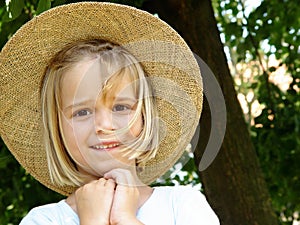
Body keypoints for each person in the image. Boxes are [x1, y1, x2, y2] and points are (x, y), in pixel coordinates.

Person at [0, 2, 220, 225]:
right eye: (82, 112)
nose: (104, 124)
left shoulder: (182, 204)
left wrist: (124, 218)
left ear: (145, 118)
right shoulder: (43, 221)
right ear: (57, 129)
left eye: (120, 107)